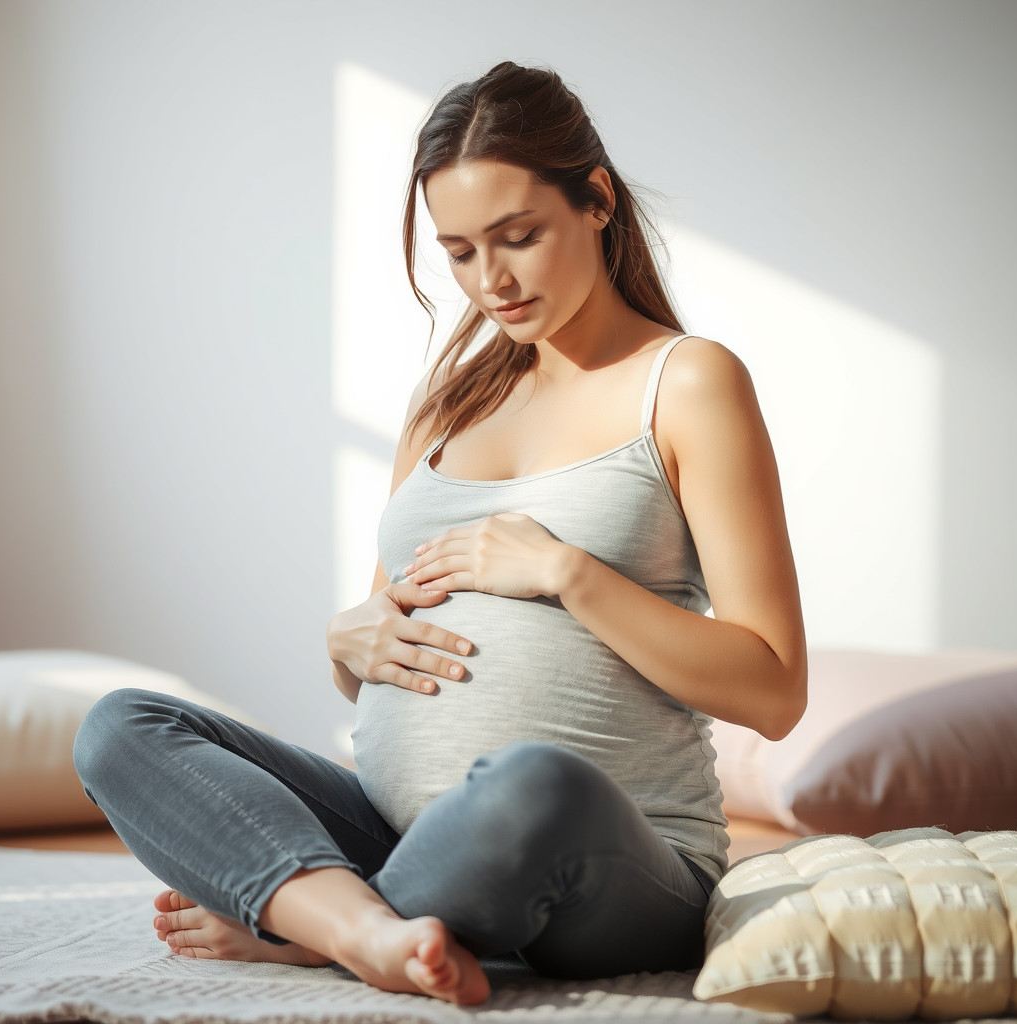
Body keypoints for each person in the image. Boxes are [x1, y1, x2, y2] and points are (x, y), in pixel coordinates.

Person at [72, 60, 806, 1007]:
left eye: (519, 237)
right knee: (122, 725)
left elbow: (773, 689)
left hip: (609, 857)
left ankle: (311, 926)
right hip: (402, 833)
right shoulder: (446, 404)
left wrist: (567, 572)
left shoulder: (689, 382)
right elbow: (382, 642)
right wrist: (349, 643)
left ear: (596, 200)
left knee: (537, 783)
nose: (490, 280)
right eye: (459, 251)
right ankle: (369, 927)